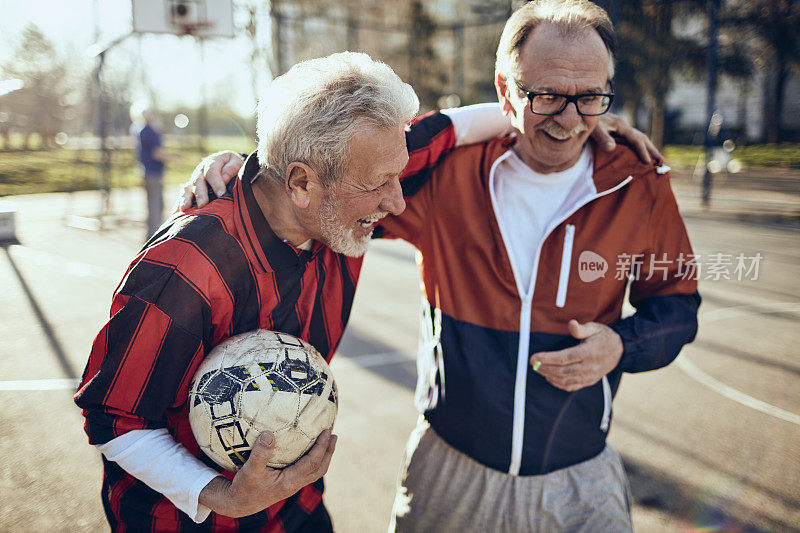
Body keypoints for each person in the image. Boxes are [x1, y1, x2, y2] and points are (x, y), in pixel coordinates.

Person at [191, 1, 700, 531]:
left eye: (590, 96)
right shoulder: (445, 173)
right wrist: (246, 171)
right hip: (450, 471)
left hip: (578, 480)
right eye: (547, 94)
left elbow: (678, 305)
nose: (570, 119)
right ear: (506, 89)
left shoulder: (639, 180)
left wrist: (621, 345)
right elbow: (328, 183)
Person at [137, 109, 168, 239]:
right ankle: (154, 236)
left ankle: (151, 234)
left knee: (152, 206)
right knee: (156, 206)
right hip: (154, 173)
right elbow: (157, 153)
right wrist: (173, 158)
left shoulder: (142, 131)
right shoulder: (151, 132)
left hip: (147, 172)